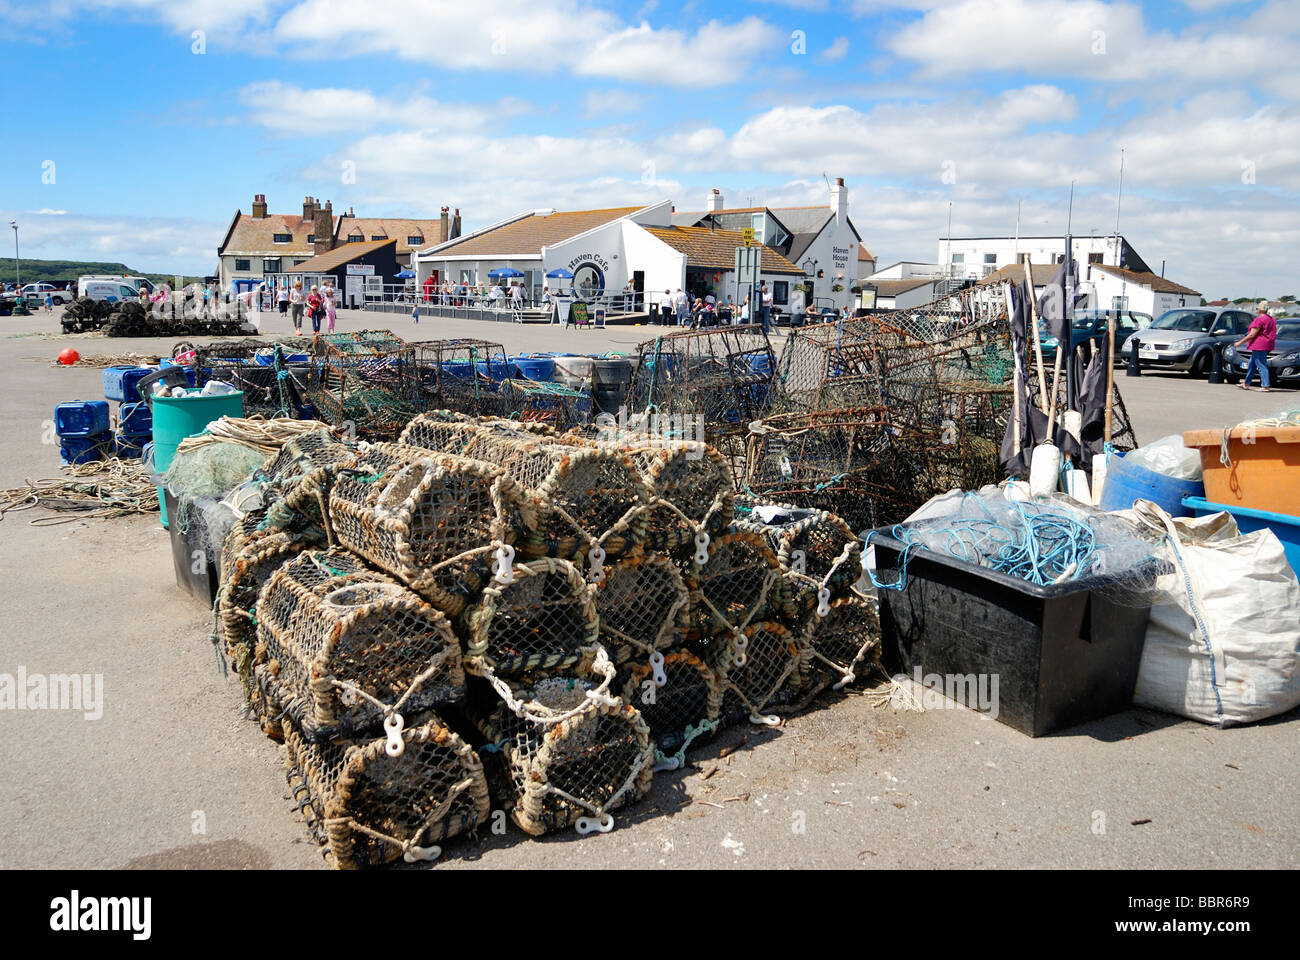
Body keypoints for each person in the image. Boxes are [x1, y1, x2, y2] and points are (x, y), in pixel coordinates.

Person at [1236, 301, 1277, 392]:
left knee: (1261, 365)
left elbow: (1252, 334)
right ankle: (1246, 383)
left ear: (1260, 310)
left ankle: (1265, 386)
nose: (1256, 310)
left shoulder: (1259, 319)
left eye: (1257, 308)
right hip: (1267, 344)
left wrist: (1239, 342)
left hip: (1259, 345)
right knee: (1252, 364)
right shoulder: (1271, 319)